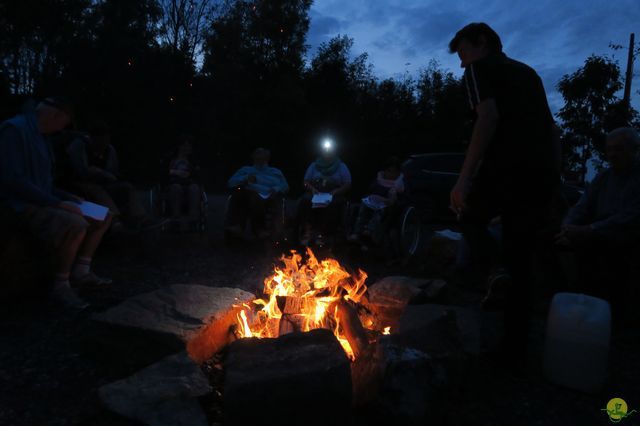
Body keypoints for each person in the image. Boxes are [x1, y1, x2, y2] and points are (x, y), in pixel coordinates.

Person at [448, 23, 560, 365]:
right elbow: (551, 128)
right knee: (520, 256)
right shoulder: (528, 73)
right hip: (539, 174)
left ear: (482, 43)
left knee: (466, 215)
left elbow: (488, 118)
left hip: (506, 168)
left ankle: (496, 271)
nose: (463, 64)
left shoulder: (481, 70)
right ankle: (515, 353)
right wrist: (555, 177)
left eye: (464, 52)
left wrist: (464, 179)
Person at [0, 97, 112, 309]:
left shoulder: (43, 138)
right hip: (18, 203)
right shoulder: (14, 131)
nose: (63, 128)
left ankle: (82, 271)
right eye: (64, 123)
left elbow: (43, 183)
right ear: (55, 116)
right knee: (76, 224)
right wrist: (57, 204)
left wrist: (68, 197)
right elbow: (13, 180)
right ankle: (60, 287)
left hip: (44, 199)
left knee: (103, 215)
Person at [555, 127, 640, 324]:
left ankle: (613, 316)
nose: (612, 154)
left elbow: (630, 217)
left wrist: (589, 230)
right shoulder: (604, 176)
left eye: (619, 149)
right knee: (549, 238)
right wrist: (566, 227)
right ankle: (567, 299)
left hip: (626, 237)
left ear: (634, 149)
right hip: (595, 232)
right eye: (609, 149)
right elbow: (581, 206)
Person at [66, 120, 153, 230]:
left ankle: (140, 218)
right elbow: (80, 169)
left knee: (126, 187)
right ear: (93, 138)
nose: (104, 143)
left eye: (106, 140)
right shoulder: (79, 145)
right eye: (101, 140)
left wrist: (107, 175)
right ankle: (114, 221)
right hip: (81, 183)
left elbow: (112, 171)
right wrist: (97, 172)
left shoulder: (109, 149)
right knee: (98, 191)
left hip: (104, 182)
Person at [297, 140, 351, 246]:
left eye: (329, 151)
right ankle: (307, 231)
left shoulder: (341, 166)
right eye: (325, 150)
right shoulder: (314, 165)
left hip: (333, 193)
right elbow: (305, 181)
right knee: (305, 201)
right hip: (315, 192)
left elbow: (348, 183)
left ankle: (324, 234)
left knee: (332, 205)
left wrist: (336, 191)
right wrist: (311, 189)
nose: (327, 153)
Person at [226, 148, 289, 239]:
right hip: (247, 195)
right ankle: (238, 226)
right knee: (239, 193)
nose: (259, 154)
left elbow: (285, 186)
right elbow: (231, 182)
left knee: (256, 198)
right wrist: (245, 178)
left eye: (262, 152)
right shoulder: (246, 170)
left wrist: (276, 188)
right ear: (253, 156)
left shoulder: (275, 172)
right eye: (257, 152)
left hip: (268, 197)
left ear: (267, 157)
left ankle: (259, 228)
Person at [348, 156, 404, 245]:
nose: (391, 174)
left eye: (394, 172)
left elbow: (403, 199)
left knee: (381, 211)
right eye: (389, 171)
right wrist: (371, 197)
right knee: (363, 207)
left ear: (398, 173)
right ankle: (356, 232)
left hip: (388, 206)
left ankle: (369, 231)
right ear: (385, 170)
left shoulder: (399, 184)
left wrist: (392, 198)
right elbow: (370, 190)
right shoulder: (379, 179)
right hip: (374, 201)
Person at [166, 135, 201, 230]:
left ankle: (193, 221)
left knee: (194, 188)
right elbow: (163, 173)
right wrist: (175, 172)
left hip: (188, 183)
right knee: (176, 188)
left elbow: (197, 174)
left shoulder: (193, 160)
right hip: (173, 184)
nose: (188, 148)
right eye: (185, 145)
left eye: (189, 146)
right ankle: (175, 220)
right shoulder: (170, 158)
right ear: (180, 146)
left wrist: (190, 171)